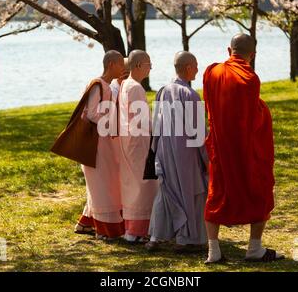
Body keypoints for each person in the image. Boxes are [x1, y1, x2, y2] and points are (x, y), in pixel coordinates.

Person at [203, 33, 284, 263]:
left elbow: (210, 107)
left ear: (229, 50)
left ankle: (213, 251)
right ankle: (254, 248)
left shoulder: (211, 72)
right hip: (245, 150)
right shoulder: (250, 78)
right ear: (253, 55)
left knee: (216, 194)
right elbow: (252, 117)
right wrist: (264, 111)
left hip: (220, 147)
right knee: (259, 191)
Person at [146, 51, 209, 252]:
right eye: (196, 65)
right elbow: (198, 134)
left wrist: (155, 151)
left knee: (166, 192)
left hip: (164, 150)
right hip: (186, 155)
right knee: (191, 194)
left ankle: (155, 237)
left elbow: (156, 125)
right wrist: (206, 159)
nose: (198, 69)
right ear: (189, 67)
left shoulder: (162, 91)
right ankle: (186, 239)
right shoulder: (190, 95)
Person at [74, 50, 126, 241]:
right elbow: (91, 114)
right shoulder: (97, 85)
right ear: (111, 64)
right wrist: (113, 121)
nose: (123, 69)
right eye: (121, 65)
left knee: (101, 183)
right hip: (95, 143)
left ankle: (85, 223)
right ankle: (105, 230)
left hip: (104, 142)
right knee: (103, 185)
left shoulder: (107, 86)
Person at [118, 49, 158, 243]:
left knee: (132, 184)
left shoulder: (125, 84)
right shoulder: (135, 87)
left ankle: (132, 229)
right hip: (138, 141)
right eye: (149, 64)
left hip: (128, 140)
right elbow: (142, 120)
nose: (151, 68)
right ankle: (137, 231)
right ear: (139, 65)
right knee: (144, 185)